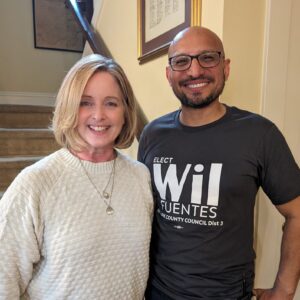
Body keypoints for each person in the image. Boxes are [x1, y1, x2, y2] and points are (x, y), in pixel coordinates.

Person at [138, 26, 300, 300]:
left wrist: (284, 290)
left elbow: (297, 212)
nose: (194, 71)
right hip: (158, 294)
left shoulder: (259, 134)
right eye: (182, 61)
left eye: (207, 58)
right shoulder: (152, 134)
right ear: (169, 74)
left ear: (225, 68)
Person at [0, 54, 153, 299]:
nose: (99, 115)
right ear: (69, 107)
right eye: (86, 102)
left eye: (111, 103)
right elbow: (4, 280)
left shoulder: (140, 176)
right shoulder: (35, 183)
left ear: (125, 111)